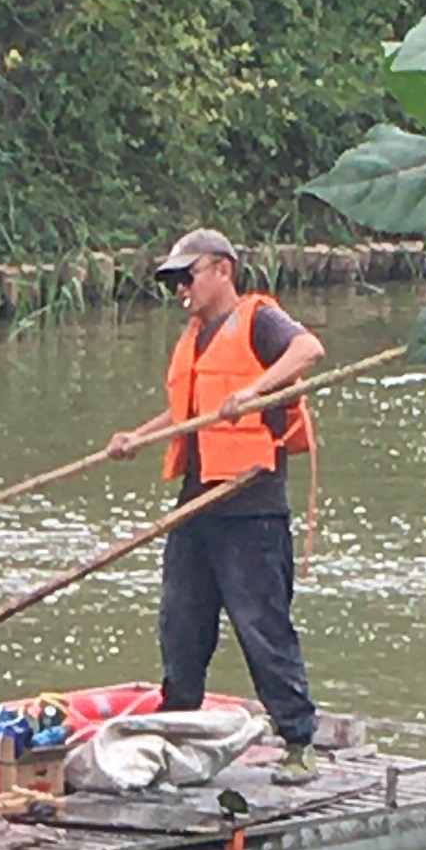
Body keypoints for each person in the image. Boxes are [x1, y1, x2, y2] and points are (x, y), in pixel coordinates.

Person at [104, 230, 328, 775]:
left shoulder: (258, 320)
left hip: (250, 503)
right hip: (197, 503)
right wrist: (138, 437)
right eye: (174, 282)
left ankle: (298, 743)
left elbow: (309, 349)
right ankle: (176, 728)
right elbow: (187, 413)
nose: (181, 289)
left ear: (222, 270)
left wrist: (254, 391)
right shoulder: (194, 336)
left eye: (189, 276)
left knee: (261, 627)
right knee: (181, 623)